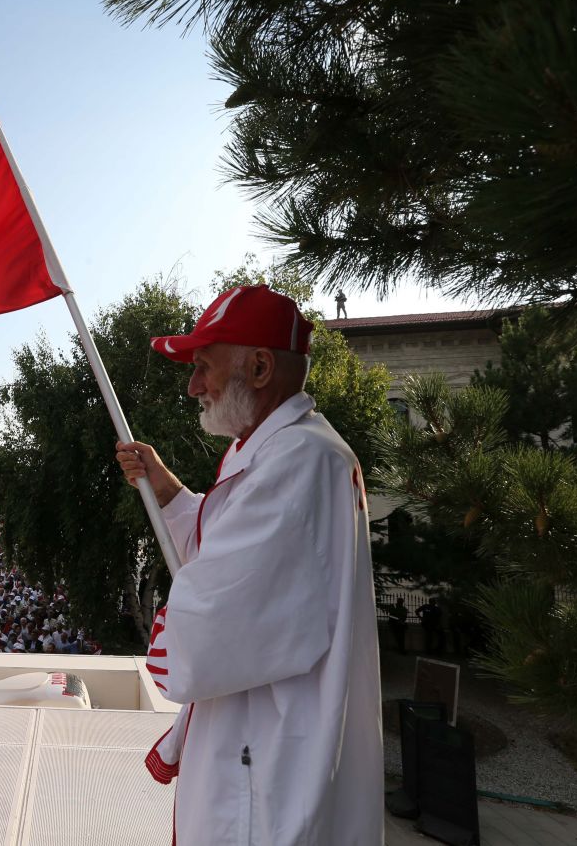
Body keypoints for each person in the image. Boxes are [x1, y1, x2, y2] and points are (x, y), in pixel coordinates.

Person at [114, 285, 382, 845]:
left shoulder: (299, 461)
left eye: (203, 368)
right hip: (259, 745)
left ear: (260, 367)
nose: (193, 388)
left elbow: (211, 625)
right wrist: (168, 491)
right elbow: (230, 558)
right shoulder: (284, 451)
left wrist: (175, 628)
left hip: (267, 763)